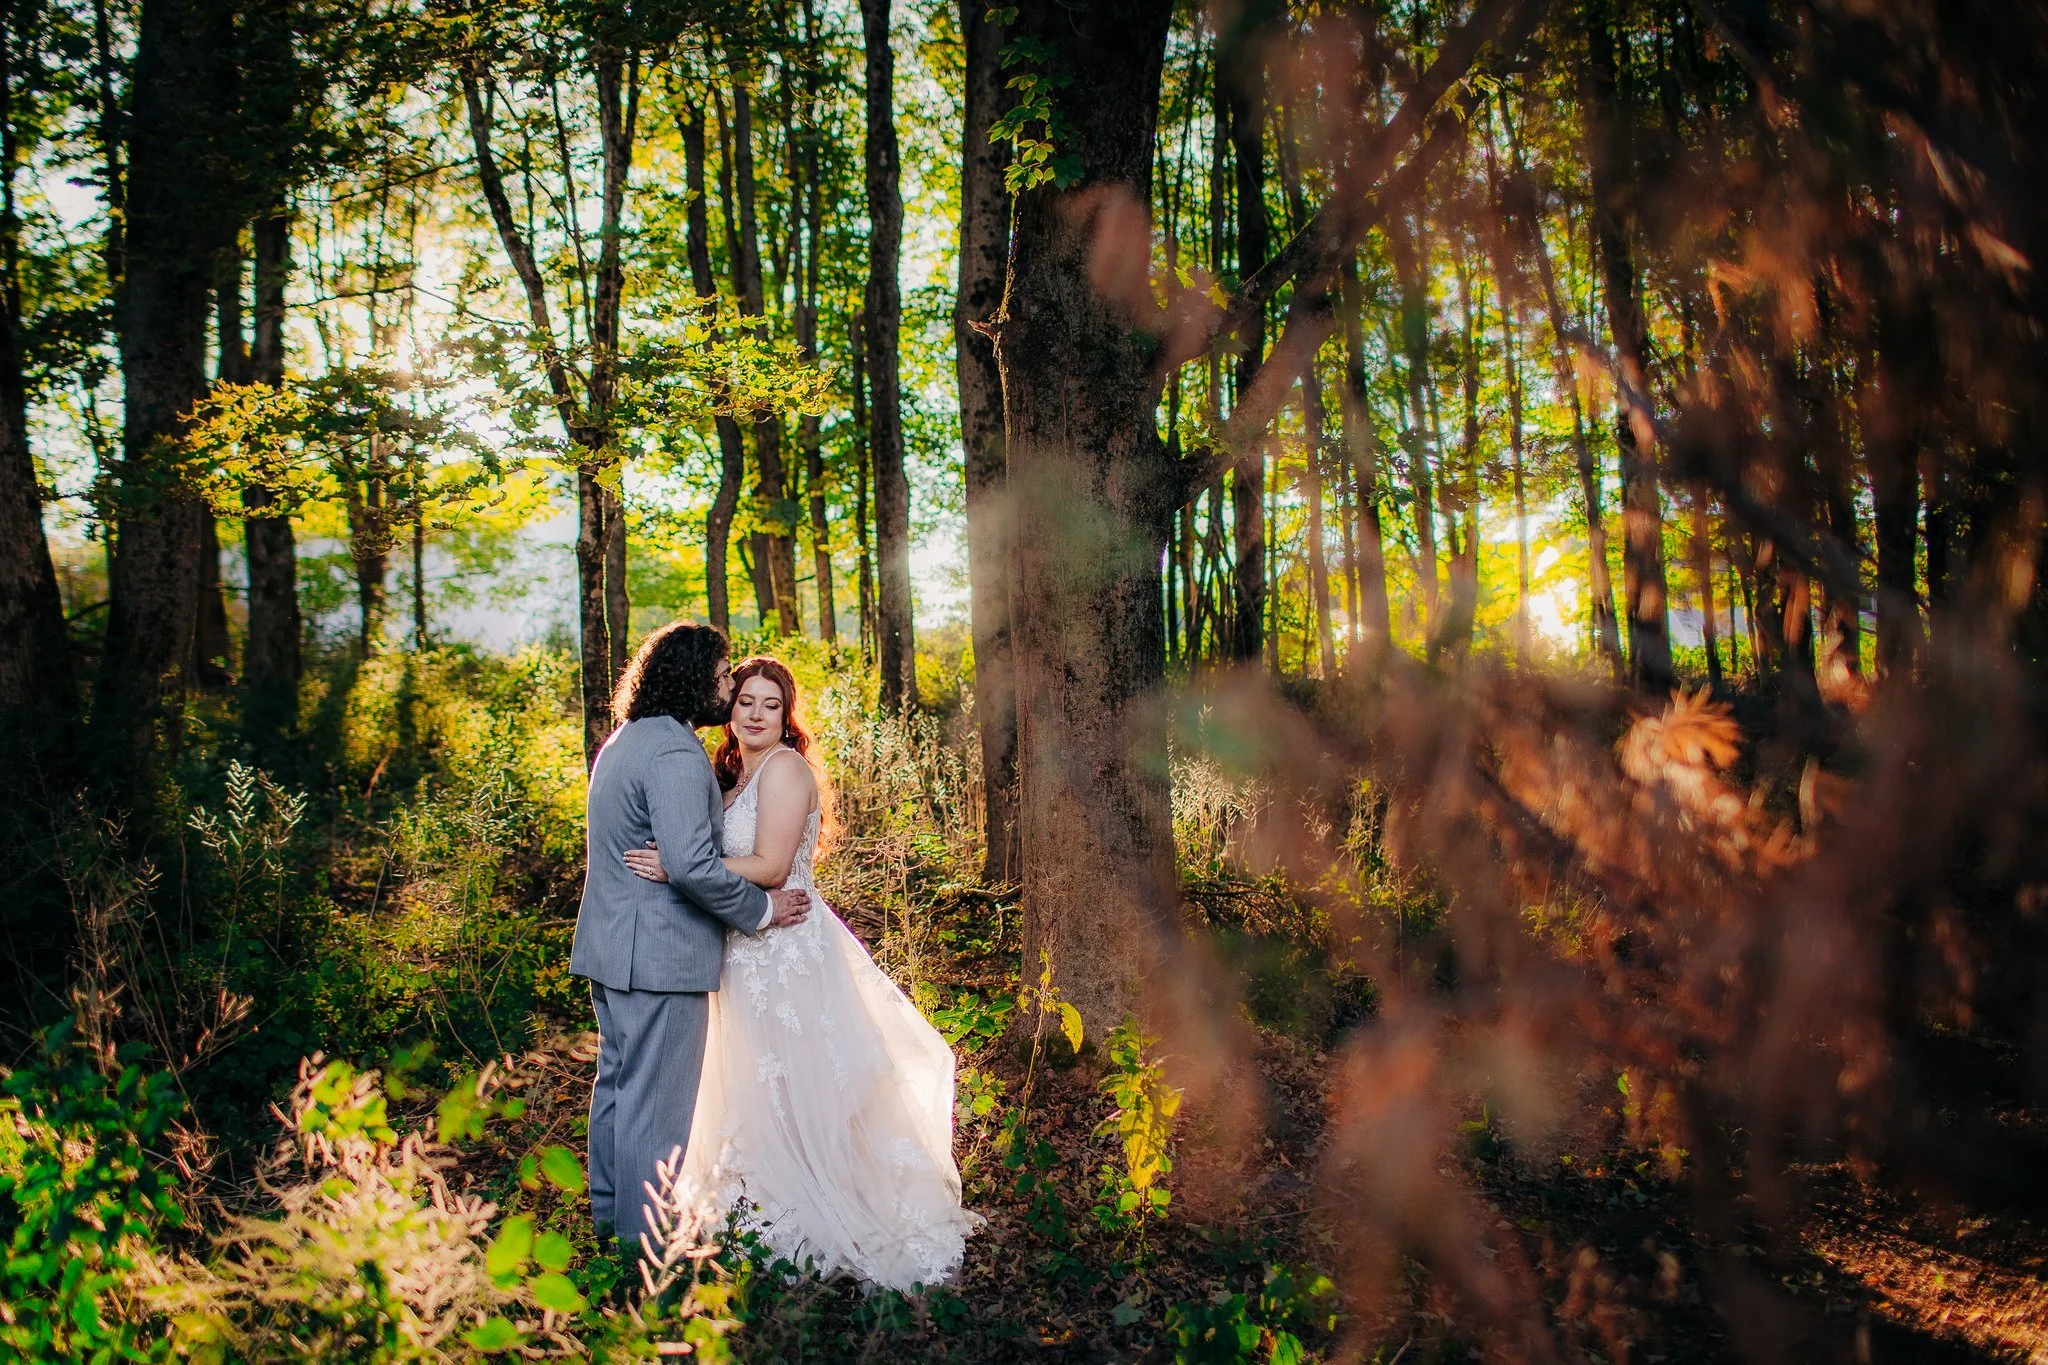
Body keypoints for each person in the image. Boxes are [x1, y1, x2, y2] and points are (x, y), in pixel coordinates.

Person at [623, 655, 980, 1291]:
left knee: (794, 1083)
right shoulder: (732, 778)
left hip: (784, 956)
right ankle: (749, 1204)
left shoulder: (785, 770)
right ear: (727, 713)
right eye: (745, 702)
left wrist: (679, 865)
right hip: (743, 949)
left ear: (787, 718)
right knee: (748, 1086)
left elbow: (769, 867)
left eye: (770, 705)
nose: (756, 714)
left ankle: (816, 1205)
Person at [569, 623, 813, 1253]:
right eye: (723, 673)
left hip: (613, 950)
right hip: (660, 956)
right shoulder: (676, 752)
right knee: (656, 1111)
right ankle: (642, 1253)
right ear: (693, 677)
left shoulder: (625, 739)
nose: (730, 686)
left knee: (619, 1092)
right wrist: (761, 911)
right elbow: (695, 865)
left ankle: (609, 1225)